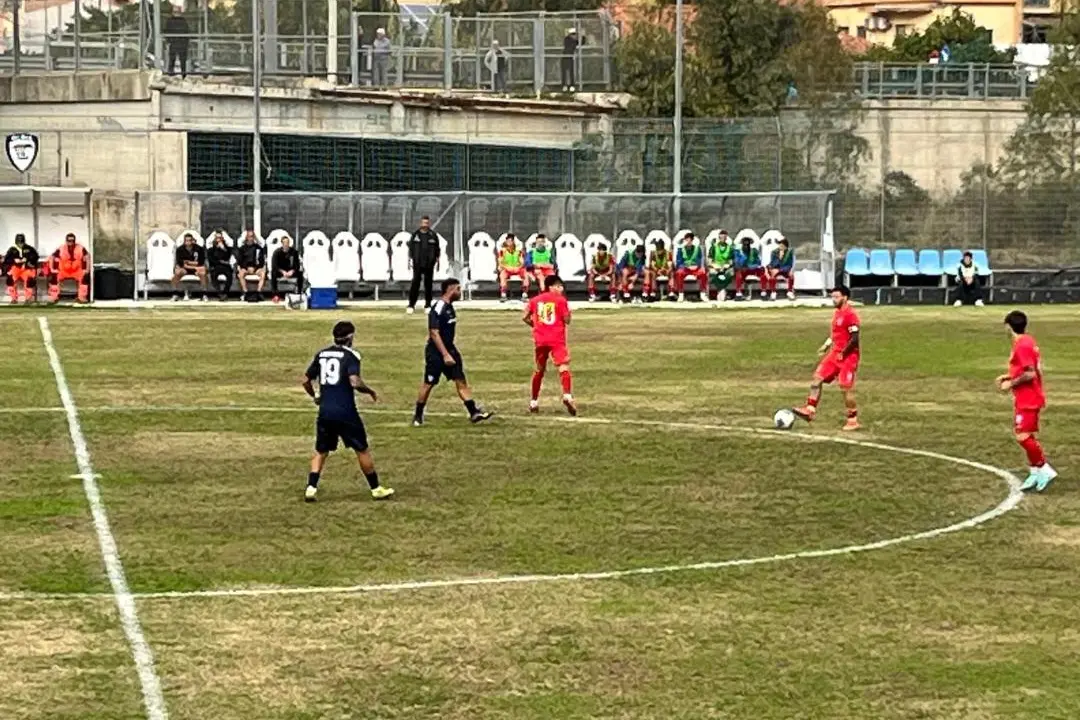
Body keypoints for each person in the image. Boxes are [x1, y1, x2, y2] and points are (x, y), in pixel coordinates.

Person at [302, 321, 393, 503]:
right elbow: (354, 382)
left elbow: (306, 380)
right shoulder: (351, 356)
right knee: (362, 449)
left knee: (321, 450)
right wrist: (369, 391)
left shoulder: (322, 354)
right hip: (345, 412)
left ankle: (311, 487)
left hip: (325, 411)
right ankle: (376, 488)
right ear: (350, 337)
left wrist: (316, 396)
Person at [413, 278, 494, 427]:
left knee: (460, 380)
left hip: (450, 348)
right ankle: (418, 416)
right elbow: (434, 333)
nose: (460, 292)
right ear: (450, 290)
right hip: (436, 352)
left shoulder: (450, 307)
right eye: (458, 289)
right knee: (429, 383)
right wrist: (445, 354)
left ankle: (473, 412)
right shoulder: (439, 307)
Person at [997, 311, 1056, 492]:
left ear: (1009, 326)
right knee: (1026, 434)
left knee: (1022, 436)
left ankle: (1044, 468)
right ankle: (1035, 472)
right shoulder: (1028, 341)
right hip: (1028, 396)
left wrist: (1011, 383)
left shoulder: (1021, 345)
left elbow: (1030, 373)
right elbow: (1034, 369)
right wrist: (1009, 375)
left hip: (1028, 398)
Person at [792, 285, 860, 431]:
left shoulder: (850, 315)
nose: (833, 300)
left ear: (845, 297)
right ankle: (810, 409)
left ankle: (852, 419)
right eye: (832, 297)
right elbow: (836, 334)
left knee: (845, 387)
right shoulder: (837, 313)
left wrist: (844, 352)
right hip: (835, 354)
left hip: (848, 357)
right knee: (817, 379)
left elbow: (855, 338)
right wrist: (827, 345)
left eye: (836, 297)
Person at [525, 274, 576, 416]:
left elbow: (525, 317)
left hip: (540, 340)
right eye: (559, 286)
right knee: (563, 367)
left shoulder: (535, 300)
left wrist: (536, 326)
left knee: (539, 370)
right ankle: (567, 395)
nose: (561, 289)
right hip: (557, 339)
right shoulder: (561, 300)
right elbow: (567, 320)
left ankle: (534, 401)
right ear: (551, 287)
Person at [407, 216, 440, 314]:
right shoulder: (415, 235)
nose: (425, 225)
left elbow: (437, 250)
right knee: (415, 284)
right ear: (420, 223)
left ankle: (428, 305)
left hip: (429, 264)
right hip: (417, 264)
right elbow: (411, 249)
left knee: (428, 285)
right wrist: (411, 260)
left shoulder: (433, 235)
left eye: (427, 223)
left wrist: (436, 260)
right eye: (423, 223)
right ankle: (411, 305)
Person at [48, 232, 90, 303]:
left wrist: (87, 269)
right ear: (66, 241)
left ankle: (82, 297)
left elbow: (87, 257)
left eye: (72, 241)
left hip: (77, 271)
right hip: (63, 271)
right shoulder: (61, 248)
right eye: (69, 241)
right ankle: (53, 298)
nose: (71, 242)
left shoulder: (80, 248)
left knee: (85, 276)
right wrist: (52, 269)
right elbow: (52, 257)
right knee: (53, 276)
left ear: (74, 241)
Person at [171, 233, 208, 301]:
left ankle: (204, 294)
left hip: (196, 268)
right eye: (186, 240)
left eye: (190, 240)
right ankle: (175, 294)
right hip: (185, 269)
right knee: (177, 273)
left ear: (192, 240)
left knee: (203, 273)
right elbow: (181, 263)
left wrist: (188, 262)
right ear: (184, 241)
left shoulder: (199, 249)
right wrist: (193, 265)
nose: (188, 242)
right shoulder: (180, 249)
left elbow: (200, 262)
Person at [4, 233, 39, 304]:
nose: (20, 245)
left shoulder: (29, 248)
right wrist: (14, 260)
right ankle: (14, 298)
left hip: (26, 268)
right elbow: (6, 260)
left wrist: (27, 259)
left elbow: (36, 257)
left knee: (30, 280)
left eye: (21, 243)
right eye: (19, 243)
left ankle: (28, 298)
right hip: (16, 268)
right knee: (10, 279)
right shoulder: (12, 249)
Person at [673, 233, 707, 302]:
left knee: (703, 273)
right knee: (679, 273)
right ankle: (681, 294)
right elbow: (678, 262)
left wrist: (697, 266)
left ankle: (702, 294)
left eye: (690, 240)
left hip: (695, 268)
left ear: (692, 240)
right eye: (687, 240)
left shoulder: (697, 249)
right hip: (685, 268)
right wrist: (685, 266)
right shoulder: (680, 249)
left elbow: (700, 260)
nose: (688, 242)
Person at [235, 230, 266, 302]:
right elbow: (240, 261)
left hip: (256, 268)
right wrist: (247, 268)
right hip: (246, 268)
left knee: (263, 273)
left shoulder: (258, 248)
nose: (251, 238)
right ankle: (245, 292)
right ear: (246, 238)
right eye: (249, 236)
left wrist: (256, 268)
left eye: (252, 236)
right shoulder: (242, 249)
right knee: (241, 274)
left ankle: (259, 292)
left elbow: (261, 260)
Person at [271, 235, 303, 302]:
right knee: (273, 273)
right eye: (285, 242)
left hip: (291, 271)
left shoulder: (294, 252)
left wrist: (292, 271)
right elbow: (274, 265)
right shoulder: (277, 252)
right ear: (282, 243)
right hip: (281, 272)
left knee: (300, 273)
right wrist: (282, 271)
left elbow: (297, 265)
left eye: (287, 242)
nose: (286, 244)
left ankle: (299, 294)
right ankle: (275, 295)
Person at [497, 234, 529, 302]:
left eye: (510, 241)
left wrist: (518, 267)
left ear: (513, 242)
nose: (509, 243)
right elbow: (500, 263)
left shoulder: (519, 252)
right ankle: (503, 294)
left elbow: (522, 262)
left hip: (517, 269)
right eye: (507, 241)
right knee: (502, 275)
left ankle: (524, 294)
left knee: (525, 274)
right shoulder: (502, 252)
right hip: (507, 269)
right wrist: (507, 267)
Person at [734, 236, 766, 300]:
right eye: (744, 244)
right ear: (742, 244)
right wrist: (743, 257)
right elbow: (737, 263)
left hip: (752, 269)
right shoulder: (738, 252)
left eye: (747, 244)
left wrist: (751, 266)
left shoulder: (754, 251)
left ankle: (763, 293)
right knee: (738, 273)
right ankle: (738, 294)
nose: (746, 246)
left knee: (762, 270)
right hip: (743, 270)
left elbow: (758, 262)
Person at [707, 231, 734, 305]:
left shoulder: (730, 248)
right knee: (713, 273)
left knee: (730, 273)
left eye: (724, 237)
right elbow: (709, 261)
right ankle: (721, 290)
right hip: (715, 266)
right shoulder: (713, 247)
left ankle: (722, 289)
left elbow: (731, 261)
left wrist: (727, 265)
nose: (723, 238)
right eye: (721, 237)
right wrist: (714, 265)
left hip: (726, 266)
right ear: (719, 238)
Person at [163, 6, 190, 78]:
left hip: (179, 43)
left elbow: (186, 32)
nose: (177, 14)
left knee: (181, 60)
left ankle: (181, 75)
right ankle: (172, 74)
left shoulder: (181, 21)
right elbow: (167, 31)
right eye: (175, 12)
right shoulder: (178, 21)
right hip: (176, 43)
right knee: (173, 59)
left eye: (177, 12)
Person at [206, 231, 233, 301]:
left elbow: (228, 257)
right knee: (213, 276)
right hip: (216, 267)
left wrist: (223, 248)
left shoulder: (227, 248)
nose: (219, 240)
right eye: (217, 238)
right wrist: (220, 261)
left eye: (220, 238)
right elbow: (211, 259)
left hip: (225, 267)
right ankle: (219, 293)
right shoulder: (211, 249)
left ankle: (225, 293)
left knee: (229, 275)